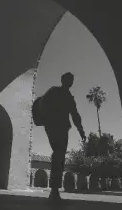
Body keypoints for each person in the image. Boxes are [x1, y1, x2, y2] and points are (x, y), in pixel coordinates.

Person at [41, 72, 86, 202]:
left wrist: (81, 131)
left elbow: (75, 116)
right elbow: (42, 106)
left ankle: (54, 192)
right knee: (59, 156)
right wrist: (48, 123)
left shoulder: (65, 96)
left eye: (71, 80)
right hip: (56, 128)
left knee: (59, 156)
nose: (70, 82)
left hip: (60, 129)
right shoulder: (56, 92)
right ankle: (54, 192)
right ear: (64, 80)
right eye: (69, 79)